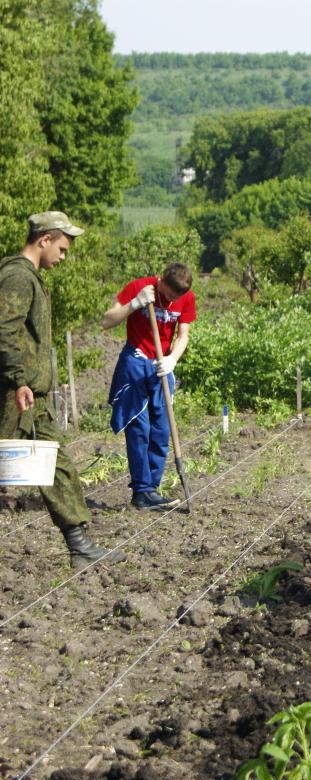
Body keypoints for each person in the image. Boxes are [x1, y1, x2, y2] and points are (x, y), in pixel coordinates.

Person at [0, 212, 126, 567]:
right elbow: (3, 330)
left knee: (56, 465)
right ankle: (80, 545)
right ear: (44, 239)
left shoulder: (27, 278)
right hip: (16, 392)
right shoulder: (17, 278)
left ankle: (80, 545)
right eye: (62, 248)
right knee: (54, 464)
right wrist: (19, 379)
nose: (63, 256)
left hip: (27, 393)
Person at [101, 263, 196, 511]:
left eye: (178, 297)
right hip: (136, 361)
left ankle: (152, 489)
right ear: (161, 280)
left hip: (162, 364)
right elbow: (106, 320)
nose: (173, 300)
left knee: (161, 429)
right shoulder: (139, 287)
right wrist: (134, 304)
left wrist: (173, 358)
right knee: (139, 428)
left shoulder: (187, 298)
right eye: (169, 294)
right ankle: (142, 491)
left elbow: (183, 334)